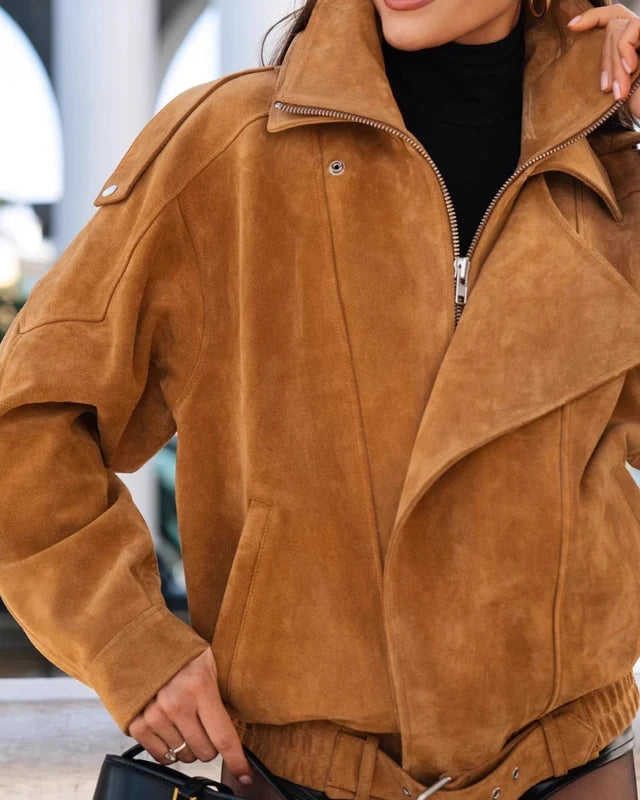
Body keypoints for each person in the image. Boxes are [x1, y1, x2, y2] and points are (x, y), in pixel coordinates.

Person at [1, 0, 640, 798]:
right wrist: (129, 642)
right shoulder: (229, 147)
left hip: (572, 769)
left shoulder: (611, 166)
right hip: (302, 778)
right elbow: (25, 426)